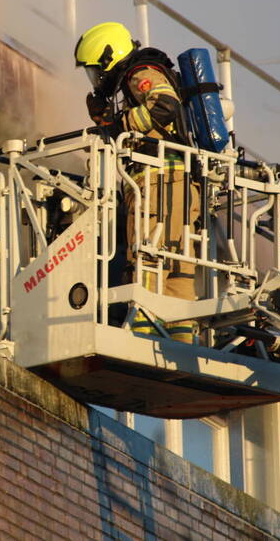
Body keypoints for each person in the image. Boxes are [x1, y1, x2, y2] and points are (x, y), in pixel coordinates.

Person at [74, 21, 198, 343]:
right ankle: (180, 340)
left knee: (147, 256)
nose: (96, 80)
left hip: (158, 181)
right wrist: (107, 120)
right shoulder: (129, 83)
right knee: (176, 266)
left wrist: (120, 126)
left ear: (107, 59)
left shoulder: (139, 73)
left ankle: (144, 335)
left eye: (94, 71)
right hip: (176, 183)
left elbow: (164, 105)